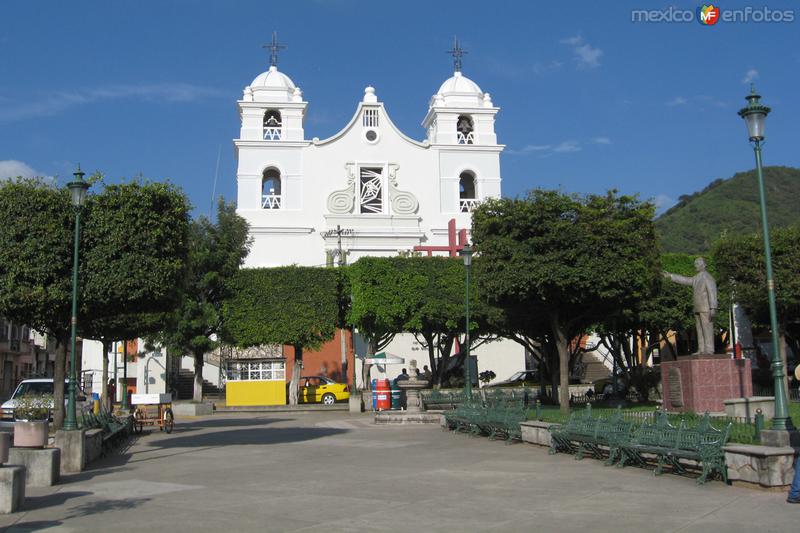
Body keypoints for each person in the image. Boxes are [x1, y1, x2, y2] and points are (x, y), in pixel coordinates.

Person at [663, 257, 718, 354]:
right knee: (699, 329)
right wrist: (671, 276)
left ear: (703, 265)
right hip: (698, 307)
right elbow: (686, 280)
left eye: (697, 264)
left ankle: (709, 349)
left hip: (706, 308)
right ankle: (701, 349)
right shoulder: (697, 277)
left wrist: (713, 307)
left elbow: (712, 293)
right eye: (695, 263)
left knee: (707, 328)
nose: (695, 265)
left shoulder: (707, 277)